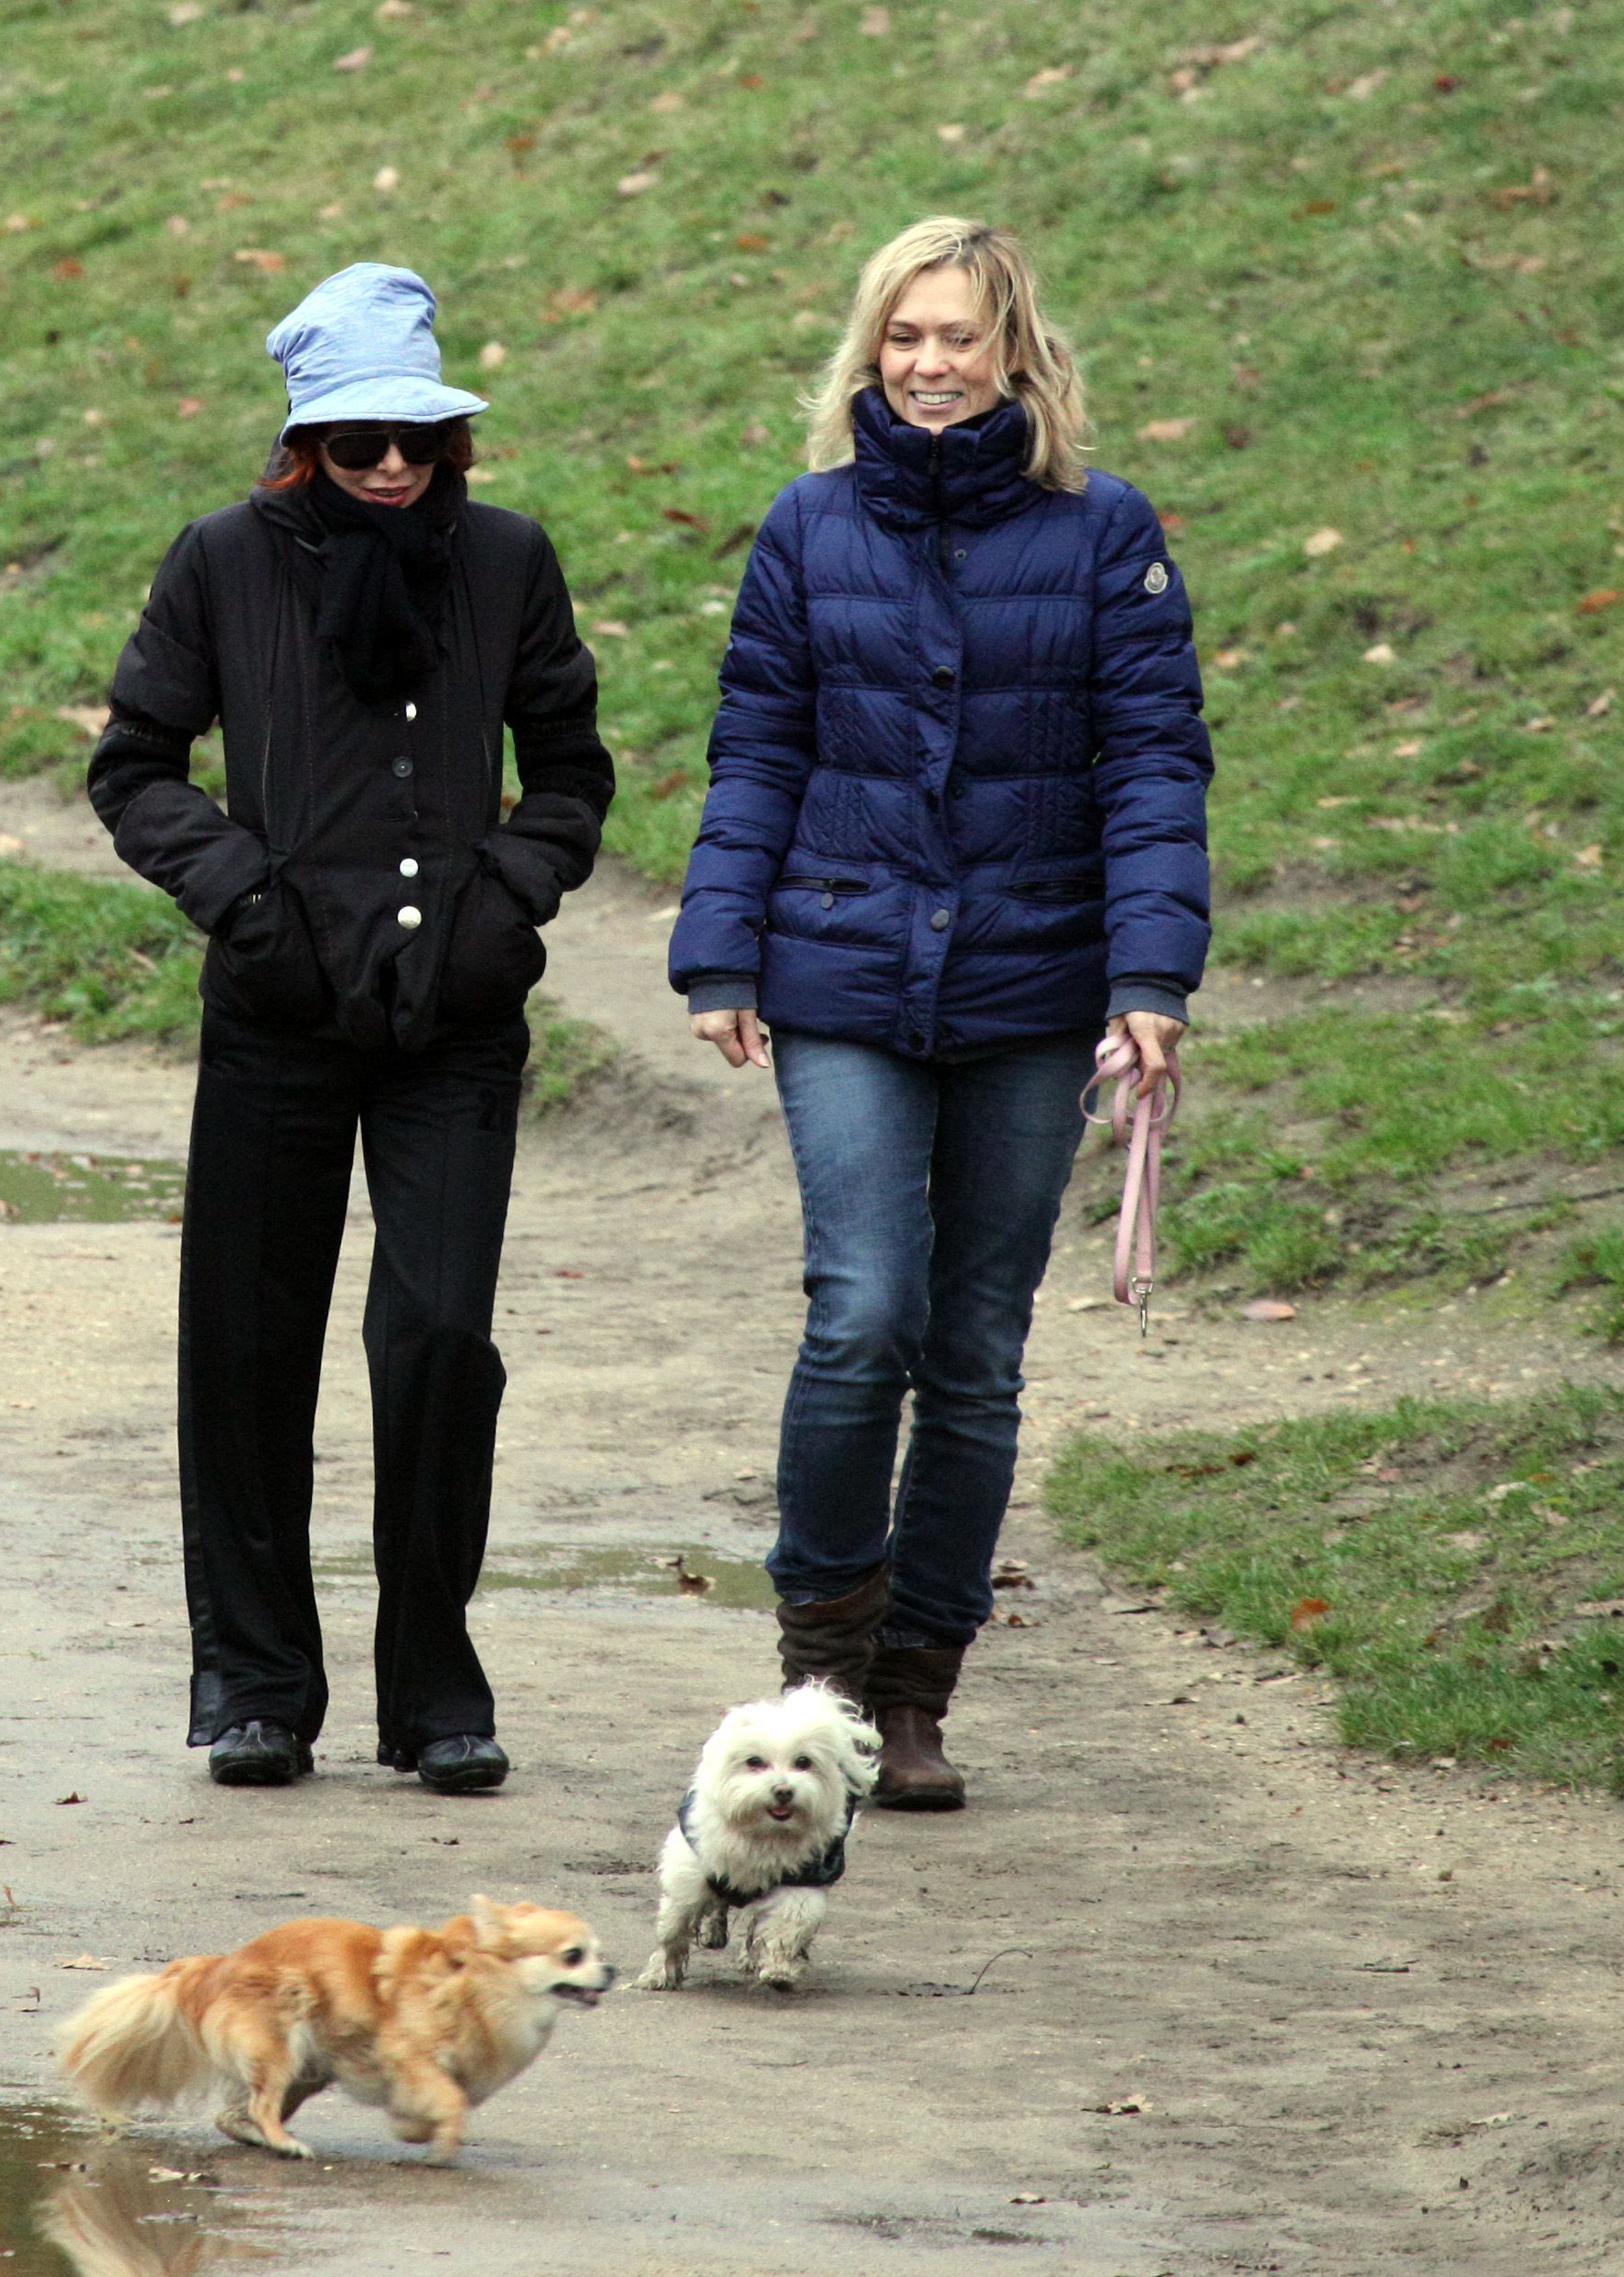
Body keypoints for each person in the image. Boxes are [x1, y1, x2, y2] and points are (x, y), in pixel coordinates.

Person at [666, 218, 1212, 1811]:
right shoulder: (808, 527)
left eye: (958, 337)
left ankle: (915, 1695)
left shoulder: (1108, 535)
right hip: (837, 965)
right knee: (863, 1314)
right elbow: (757, 744)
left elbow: (1155, 765)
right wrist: (721, 950)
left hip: (1036, 988)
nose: (928, 363)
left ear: (1016, 353)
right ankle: (822, 1662)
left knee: (974, 1351)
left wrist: (1149, 977)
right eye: (902, 337)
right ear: (869, 350)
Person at [86, 263, 614, 1794]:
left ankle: (436, 1686)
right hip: (276, 1013)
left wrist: (505, 904)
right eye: (356, 442)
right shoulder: (222, 563)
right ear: (302, 445)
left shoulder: (508, 562)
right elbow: (137, 765)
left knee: (440, 1337)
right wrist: (247, 900)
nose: (390, 467)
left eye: (417, 440)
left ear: (451, 446)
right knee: (249, 1347)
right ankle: (257, 1683)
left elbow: (572, 763)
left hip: (454, 1020)